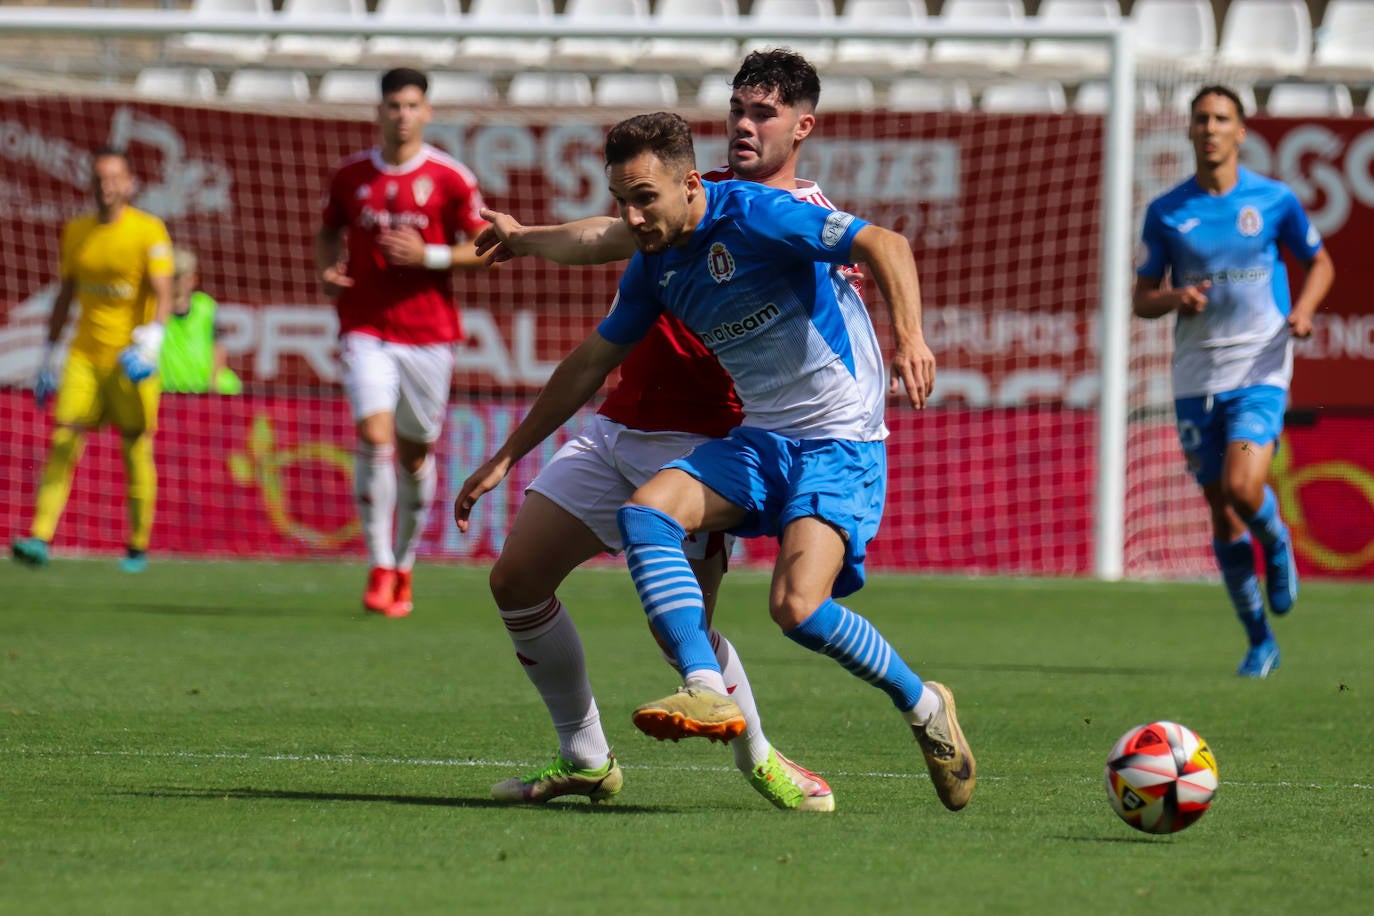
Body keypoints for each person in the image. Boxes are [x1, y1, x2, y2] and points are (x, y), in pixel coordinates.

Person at [462, 112, 976, 813]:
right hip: (760, 439)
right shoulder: (655, 262)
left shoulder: (761, 214)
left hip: (839, 442)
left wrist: (912, 338)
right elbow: (592, 359)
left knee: (798, 609)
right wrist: (507, 455)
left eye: (645, 197)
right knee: (646, 514)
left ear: (690, 182)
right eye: (623, 200)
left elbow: (884, 241)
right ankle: (699, 693)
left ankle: (921, 703)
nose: (632, 216)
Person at [456, 50, 844, 811]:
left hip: (703, 444)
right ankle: (585, 758)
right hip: (620, 426)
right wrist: (527, 236)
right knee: (515, 580)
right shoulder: (680, 206)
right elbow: (607, 237)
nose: (742, 124)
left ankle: (760, 758)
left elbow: (842, 320)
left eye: (761, 113)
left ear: (802, 128)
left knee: (683, 635)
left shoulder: (801, 222)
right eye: (736, 109)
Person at [1134, 85, 1335, 679]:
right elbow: (1142, 299)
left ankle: (1275, 542)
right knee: (1221, 512)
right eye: (1202, 119)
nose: (1211, 128)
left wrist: (1304, 310)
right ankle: (1259, 642)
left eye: (1222, 118)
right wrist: (1174, 297)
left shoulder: (1274, 200)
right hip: (1197, 378)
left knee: (1245, 487)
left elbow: (1319, 261)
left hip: (1260, 370)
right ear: (1191, 132)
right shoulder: (1168, 210)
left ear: (1242, 131)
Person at [315, 67, 491, 619]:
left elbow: (485, 245)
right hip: (364, 325)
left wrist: (429, 256)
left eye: (412, 105)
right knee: (374, 434)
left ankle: (406, 562)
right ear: (381, 111)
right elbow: (328, 230)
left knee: (415, 456)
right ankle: (378, 563)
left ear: (426, 111)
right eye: (394, 105)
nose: (402, 115)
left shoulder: (449, 177)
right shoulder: (350, 176)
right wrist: (327, 270)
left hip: (428, 334)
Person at [11, 147, 174, 574]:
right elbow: (66, 294)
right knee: (63, 440)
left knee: (135, 447)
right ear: (90, 183)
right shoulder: (77, 231)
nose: (107, 187)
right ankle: (40, 536)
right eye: (100, 178)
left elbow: (163, 291)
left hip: (130, 359)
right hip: (84, 354)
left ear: (130, 183)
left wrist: (152, 340)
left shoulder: (148, 231)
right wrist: (48, 354)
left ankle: (137, 545)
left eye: (115, 178)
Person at [160, 246, 242, 395]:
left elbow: (218, 346)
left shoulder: (205, 306)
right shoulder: (155, 309)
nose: (173, 282)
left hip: (204, 390)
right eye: (169, 276)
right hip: (166, 391)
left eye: (177, 277)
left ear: (192, 279)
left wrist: (213, 382)